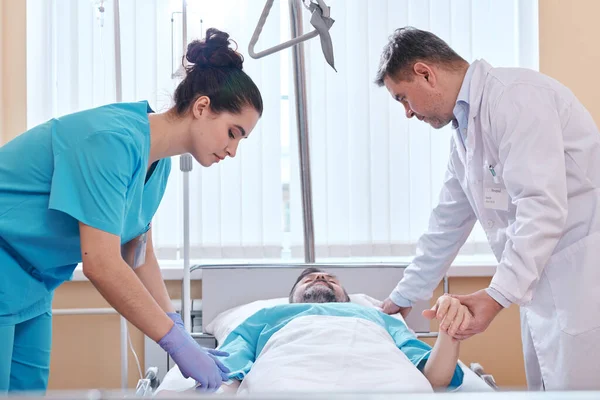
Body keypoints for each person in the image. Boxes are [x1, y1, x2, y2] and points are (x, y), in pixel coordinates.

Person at [0, 28, 262, 393]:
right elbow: (102, 263)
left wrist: (177, 325)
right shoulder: (110, 142)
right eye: (233, 133)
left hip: (33, 284)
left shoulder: (159, 163)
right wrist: (172, 341)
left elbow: (138, 253)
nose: (232, 150)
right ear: (202, 107)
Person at [374, 27, 600, 390]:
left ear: (425, 73)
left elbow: (542, 206)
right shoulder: (465, 131)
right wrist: (404, 296)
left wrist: (496, 296)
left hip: (583, 278)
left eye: (403, 98)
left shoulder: (516, 99)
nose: (407, 113)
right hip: (543, 286)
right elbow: (447, 221)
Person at [165, 267, 473, 395]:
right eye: (310, 278)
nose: (321, 278)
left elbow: (434, 378)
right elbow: (227, 374)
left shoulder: (378, 317)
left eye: (330, 278)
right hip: (288, 381)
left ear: (345, 295)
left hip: (387, 381)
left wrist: (450, 333)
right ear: (293, 296)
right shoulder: (266, 316)